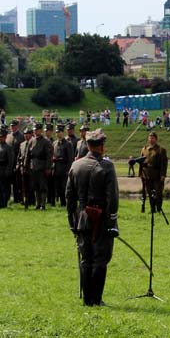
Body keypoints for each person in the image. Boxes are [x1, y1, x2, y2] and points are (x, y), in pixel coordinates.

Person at [65, 128, 119, 307]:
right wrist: (112, 222)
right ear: (102, 147)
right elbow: (113, 198)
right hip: (100, 219)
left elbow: (69, 197)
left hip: (81, 218)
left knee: (86, 258)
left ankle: (87, 299)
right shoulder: (106, 166)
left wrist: (71, 220)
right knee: (100, 259)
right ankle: (95, 299)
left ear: (87, 145)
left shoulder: (75, 165)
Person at [139, 132, 169, 213]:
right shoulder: (144, 149)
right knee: (149, 192)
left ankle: (158, 208)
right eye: (150, 138)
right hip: (147, 175)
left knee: (158, 193)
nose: (151, 140)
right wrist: (140, 174)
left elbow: (164, 163)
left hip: (157, 175)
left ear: (156, 139)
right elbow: (141, 162)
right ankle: (152, 209)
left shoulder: (161, 150)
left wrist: (163, 175)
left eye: (152, 138)